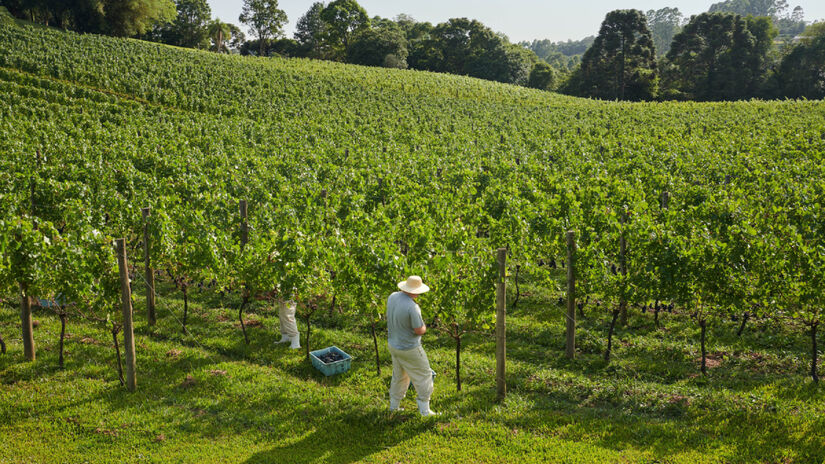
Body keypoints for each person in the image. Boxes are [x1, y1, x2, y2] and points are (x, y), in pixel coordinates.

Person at [387, 275, 438, 417]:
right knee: (424, 375)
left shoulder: (392, 297)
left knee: (399, 375)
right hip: (410, 348)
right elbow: (419, 330)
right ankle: (425, 411)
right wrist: (425, 327)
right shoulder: (412, 307)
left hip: (393, 345)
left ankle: (394, 407)